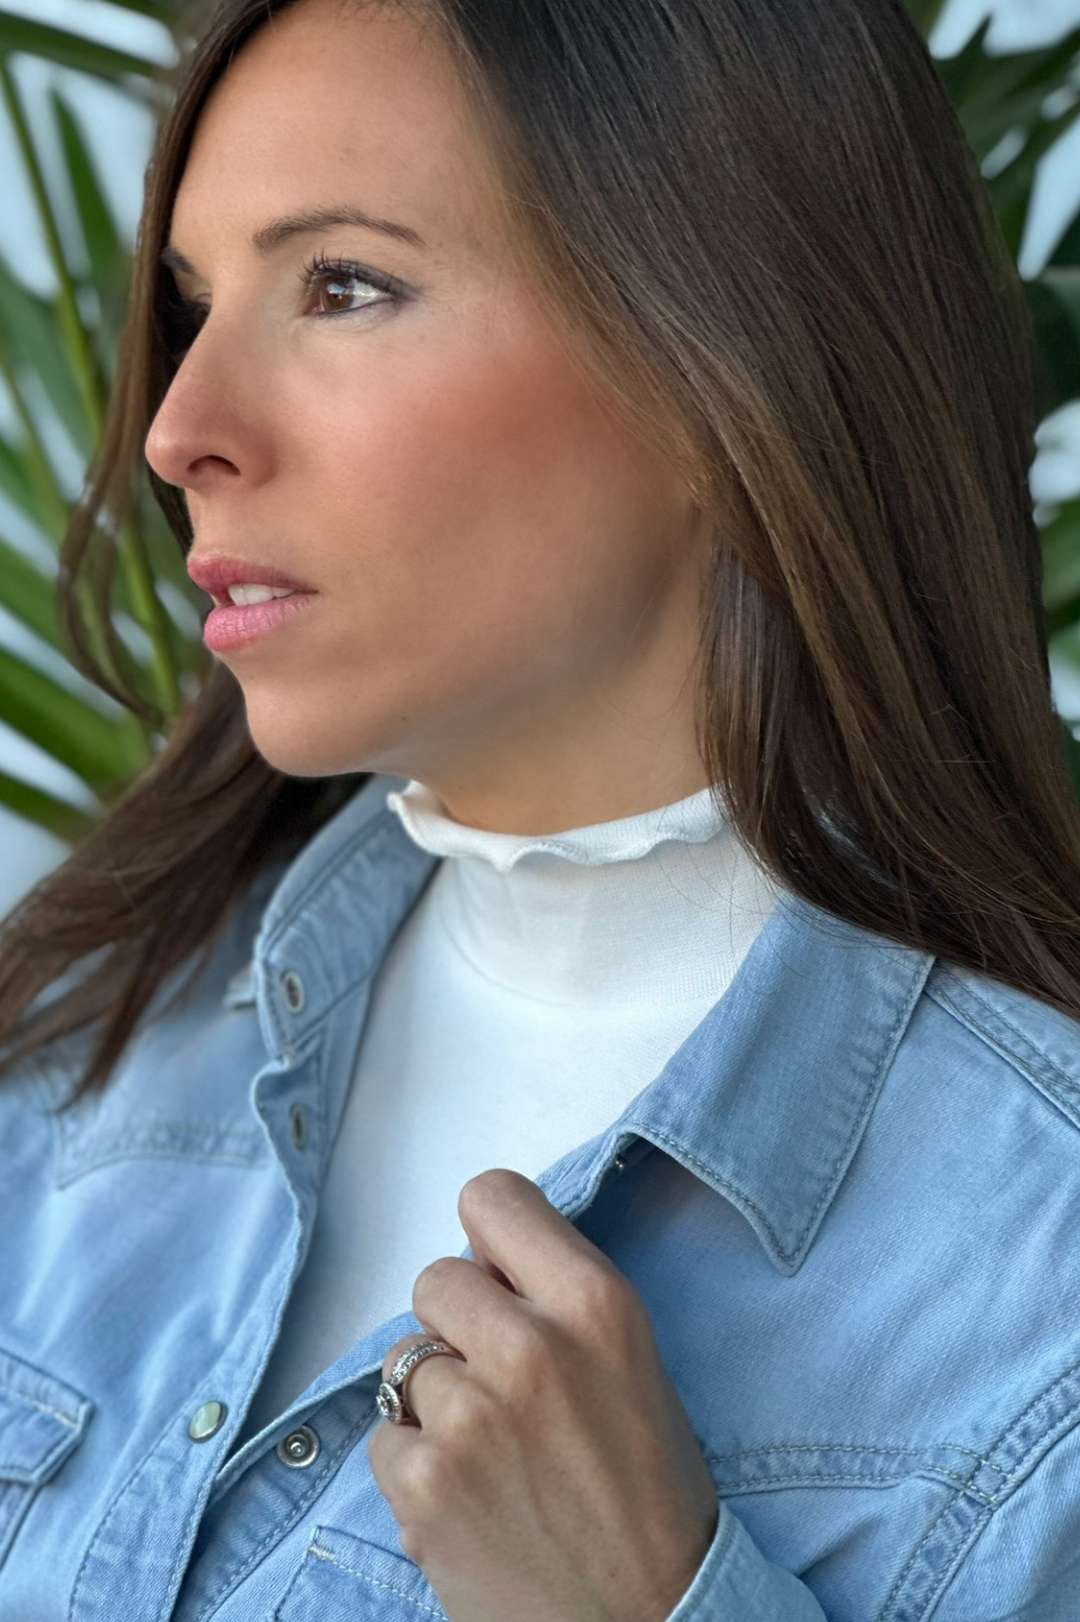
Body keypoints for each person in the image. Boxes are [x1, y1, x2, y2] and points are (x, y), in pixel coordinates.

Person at [0, 0, 1078, 1616]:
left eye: (343, 285)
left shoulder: (1041, 1300)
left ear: (722, 363)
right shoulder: (84, 1031)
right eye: (198, 303)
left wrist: (656, 1595)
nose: (178, 431)